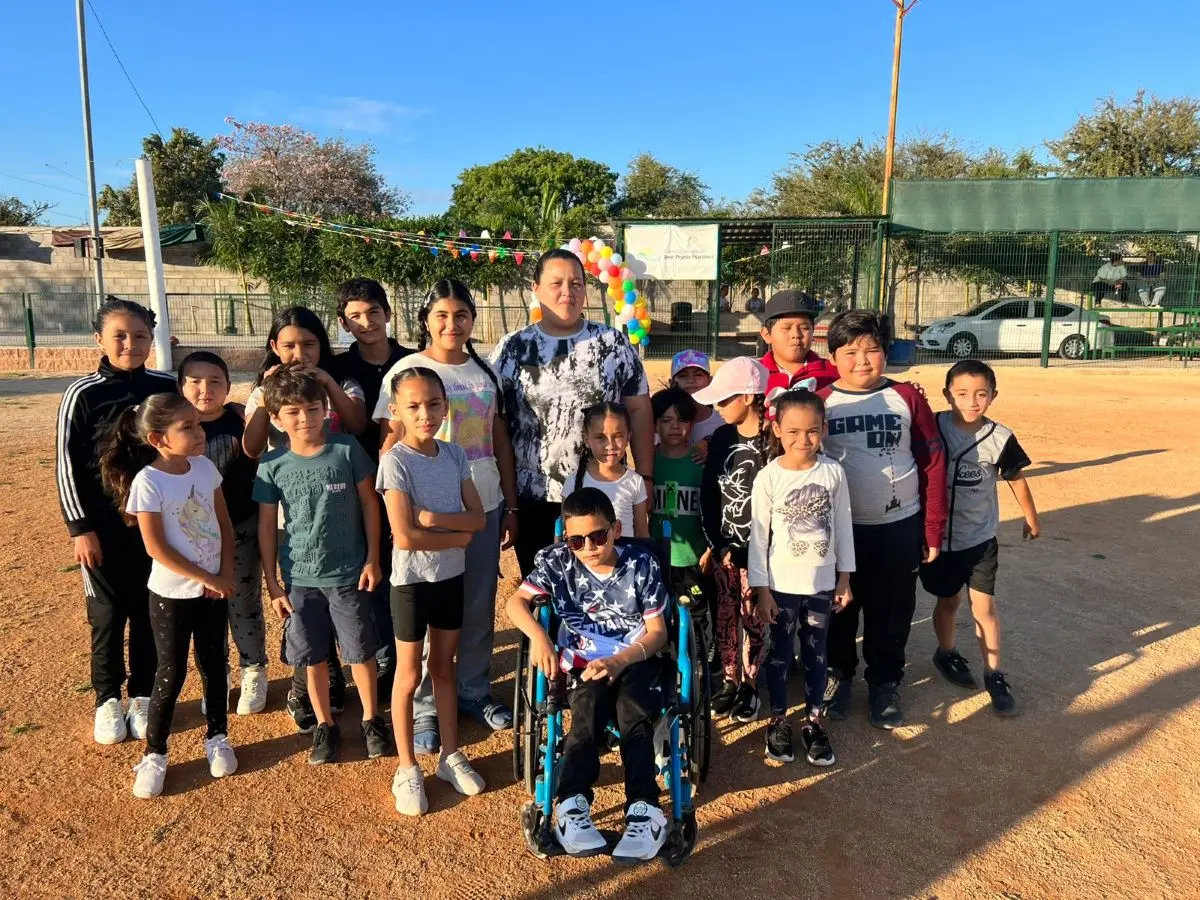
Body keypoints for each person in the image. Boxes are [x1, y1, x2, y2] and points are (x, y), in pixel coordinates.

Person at [375, 279, 518, 751]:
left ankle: (474, 692)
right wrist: (401, 515)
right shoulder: (407, 370)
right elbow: (389, 443)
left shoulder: (486, 372)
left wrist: (510, 503)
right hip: (426, 510)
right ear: (425, 321)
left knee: (474, 604)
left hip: (484, 503)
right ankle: (424, 711)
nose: (452, 324)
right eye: (441, 315)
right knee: (426, 614)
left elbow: (499, 440)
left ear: (473, 320)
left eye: (461, 315)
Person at [505, 488, 670, 863]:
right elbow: (515, 603)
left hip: (635, 655)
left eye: (598, 536)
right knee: (585, 715)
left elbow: (658, 633)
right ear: (566, 538)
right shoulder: (558, 561)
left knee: (634, 715)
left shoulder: (640, 565)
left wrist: (618, 662)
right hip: (582, 660)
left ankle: (644, 810)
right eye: (577, 540)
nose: (589, 547)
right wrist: (540, 638)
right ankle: (572, 805)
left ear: (616, 528)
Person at [98, 393, 238, 797]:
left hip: (214, 590)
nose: (200, 432)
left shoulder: (206, 467)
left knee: (215, 666)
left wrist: (224, 573)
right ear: (159, 439)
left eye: (198, 423)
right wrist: (206, 578)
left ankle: (218, 738)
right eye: (188, 427)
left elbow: (224, 524)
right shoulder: (148, 482)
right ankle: (155, 754)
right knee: (170, 673)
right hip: (172, 596)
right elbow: (156, 548)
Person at [56, 296, 179, 745]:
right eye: (120, 336)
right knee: (107, 616)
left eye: (141, 335)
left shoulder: (166, 386)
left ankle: (143, 696)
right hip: (103, 529)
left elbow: (184, 440)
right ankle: (108, 699)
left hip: (154, 525)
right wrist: (80, 527)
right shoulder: (82, 394)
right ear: (100, 340)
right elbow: (66, 464)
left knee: (150, 611)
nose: (131, 343)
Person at [253, 365, 390, 764]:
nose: (305, 419)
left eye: (313, 409)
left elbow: (369, 502)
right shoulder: (271, 465)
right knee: (311, 656)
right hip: (298, 580)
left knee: (360, 651)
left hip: (349, 574)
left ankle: (371, 719)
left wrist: (372, 559)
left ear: (325, 409)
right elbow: (265, 526)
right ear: (276, 419)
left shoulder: (347, 450)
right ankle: (325, 726)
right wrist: (273, 585)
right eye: (293, 413)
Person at [817, 310, 947, 729]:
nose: (861, 359)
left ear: (885, 352)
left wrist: (930, 529)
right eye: (850, 351)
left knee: (891, 610)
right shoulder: (820, 402)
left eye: (871, 349)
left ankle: (885, 682)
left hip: (897, 527)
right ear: (833, 355)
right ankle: (838, 676)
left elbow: (932, 461)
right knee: (837, 609)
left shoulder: (907, 397)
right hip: (839, 531)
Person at [490, 248, 653, 578]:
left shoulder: (612, 343)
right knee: (543, 593)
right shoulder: (512, 348)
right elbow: (496, 423)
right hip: (533, 496)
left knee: (599, 590)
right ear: (535, 289)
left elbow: (638, 408)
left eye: (577, 283)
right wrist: (509, 502)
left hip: (600, 493)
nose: (568, 291)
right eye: (557, 283)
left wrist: (646, 477)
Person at [243, 306, 368, 732]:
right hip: (290, 518)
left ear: (323, 345)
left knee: (342, 608)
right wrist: (268, 392)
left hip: (335, 512)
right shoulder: (264, 392)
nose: (300, 352)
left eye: (310, 343)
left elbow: (356, 424)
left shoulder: (339, 382)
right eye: (290, 344)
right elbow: (251, 445)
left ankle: (340, 684)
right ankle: (308, 687)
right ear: (274, 347)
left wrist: (327, 383)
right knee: (304, 617)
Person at [378, 367, 489, 816]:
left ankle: (448, 755)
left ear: (446, 405)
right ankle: (406, 767)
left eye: (434, 404)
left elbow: (478, 518)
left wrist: (430, 520)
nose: (426, 414)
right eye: (414, 406)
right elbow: (403, 536)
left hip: (450, 577)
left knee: (444, 666)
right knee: (409, 675)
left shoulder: (456, 454)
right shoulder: (395, 461)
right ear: (396, 411)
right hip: (411, 583)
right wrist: (452, 533)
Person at [923, 360, 1040, 716]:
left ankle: (994, 673)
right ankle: (946, 653)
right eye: (961, 394)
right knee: (948, 601)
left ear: (993, 396)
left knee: (984, 608)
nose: (971, 401)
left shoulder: (1000, 437)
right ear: (947, 395)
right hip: (939, 541)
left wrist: (1031, 516)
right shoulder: (933, 426)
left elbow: (1015, 477)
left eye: (980, 394)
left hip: (979, 539)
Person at [748, 389, 854, 766]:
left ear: (823, 429)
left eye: (812, 431)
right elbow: (758, 537)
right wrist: (761, 590)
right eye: (792, 432)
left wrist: (844, 578)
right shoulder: (768, 477)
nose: (803, 440)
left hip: (822, 586)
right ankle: (778, 720)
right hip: (780, 588)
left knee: (816, 654)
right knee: (779, 656)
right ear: (777, 429)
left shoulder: (833, 472)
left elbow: (842, 526)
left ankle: (813, 721)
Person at [329, 278, 413, 710]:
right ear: (344, 322)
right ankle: (385, 662)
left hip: (409, 485)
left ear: (387, 312)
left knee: (408, 568)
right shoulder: (341, 369)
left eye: (373, 313)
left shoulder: (412, 361)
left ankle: (411, 659)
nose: (366, 323)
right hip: (357, 489)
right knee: (371, 572)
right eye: (355, 317)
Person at [177, 351, 268, 716]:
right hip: (192, 536)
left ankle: (253, 669)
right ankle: (216, 676)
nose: (205, 389)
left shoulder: (240, 419)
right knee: (202, 608)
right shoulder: (173, 429)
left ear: (228, 387)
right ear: (180, 386)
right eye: (195, 382)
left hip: (242, 527)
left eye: (215, 381)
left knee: (243, 601)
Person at [696, 357, 773, 723]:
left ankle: (752, 685)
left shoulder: (774, 440)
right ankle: (729, 679)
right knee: (726, 617)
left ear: (747, 397)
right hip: (727, 550)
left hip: (762, 555)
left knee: (755, 619)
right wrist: (718, 544)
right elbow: (709, 495)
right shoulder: (723, 438)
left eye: (724, 400)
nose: (717, 407)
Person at [649, 386, 716, 672]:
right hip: (657, 557)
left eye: (681, 420)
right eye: (665, 420)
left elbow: (716, 510)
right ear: (654, 425)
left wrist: (711, 548)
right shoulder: (648, 462)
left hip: (694, 557)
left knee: (697, 614)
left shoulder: (701, 462)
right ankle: (667, 666)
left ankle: (698, 667)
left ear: (692, 424)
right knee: (659, 614)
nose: (674, 427)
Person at [564, 402, 649, 539]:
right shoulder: (573, 482)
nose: (610, 445)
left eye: (618, 436)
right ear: (587, 440)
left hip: (626, 560)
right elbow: (568, 534)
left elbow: (642, 534)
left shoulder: (635, 482)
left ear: (628, 437)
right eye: (600, 437)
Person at [759, 289, 838, 400]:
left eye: (804, 328)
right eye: (786, 328)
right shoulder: (753, 374)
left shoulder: (835, 373)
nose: (796, 335)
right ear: (767, 334)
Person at [669, 350, 722, 445]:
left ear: (710, 381)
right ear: (672, 383)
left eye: (698, 375)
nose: (691, 380)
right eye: (683, 375)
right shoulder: (660, 423)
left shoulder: (723, 422)